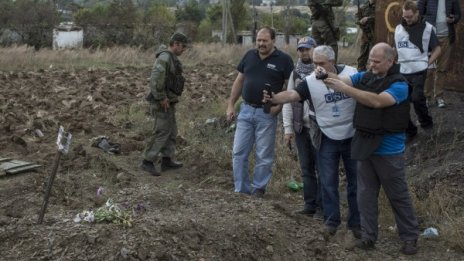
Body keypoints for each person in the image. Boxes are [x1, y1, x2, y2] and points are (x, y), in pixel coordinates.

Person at [323, 42, 420, 255]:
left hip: (389, 152)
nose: (372, 64)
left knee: (398, 196)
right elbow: (342, 80)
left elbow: (377, 101)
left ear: (390, 61)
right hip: (365, 147)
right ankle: (368, 237)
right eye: (370, 60)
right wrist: (325, 74)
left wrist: (346, 89)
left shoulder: (400, 85)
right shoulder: (366, 76)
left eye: (376, 61)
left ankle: (410, 237)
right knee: (365, 196)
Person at [263, 45, 360, 238]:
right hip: (326, 136)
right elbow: (293, 94)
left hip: (352, 135)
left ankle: (356, 223)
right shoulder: (310, 81)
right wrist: (274, 97)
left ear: (332, 61)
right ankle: (331, 221)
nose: (317, 68)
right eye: (315, 63)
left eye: (321, 63)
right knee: (327, 181)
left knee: (355, 182)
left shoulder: (352, 74)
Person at [226, 26, 294, 197]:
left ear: (273, 41)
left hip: (267, 113)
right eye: (258, 40)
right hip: (246, 110)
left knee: (264, 154)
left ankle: (258, 189)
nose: (261, 44)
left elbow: (290, 88)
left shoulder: (284, 60)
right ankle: (241, 190)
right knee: (238, 152)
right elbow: (239, 80)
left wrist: (278, 108)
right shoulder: (249, 56)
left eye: (265, 40)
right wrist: (231, 104)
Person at [282, 36, 323, 218]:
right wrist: (288, 128)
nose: (304, 52)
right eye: (301, 49)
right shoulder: (295, 73)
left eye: (308, 49)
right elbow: (288, 100)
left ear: (314, 49)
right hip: (301, 128)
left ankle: (323, 207)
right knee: (306, 168)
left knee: (322, 169)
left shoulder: (322, 70)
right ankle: (309, 205)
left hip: (320, 128)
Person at [140, 32, 189, 176]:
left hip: (169, 100)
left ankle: (167, 160)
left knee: (171, 130)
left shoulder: (170, 58)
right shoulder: (165, 58)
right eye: (183, 46)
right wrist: (161, 97)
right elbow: (155, 80)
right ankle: (147, 161)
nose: (184, 50)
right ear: (175, 44)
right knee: (161, 131)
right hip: (162, 102)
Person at [394, 0, 441, 139]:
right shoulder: (398, 29)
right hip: (402, 71)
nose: (407, 19)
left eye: (410, 16)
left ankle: (427, 125)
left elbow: (437, 49)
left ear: (417, 13)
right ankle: (410, 130)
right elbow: (394, 48)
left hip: (419, 70)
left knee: (417, 98)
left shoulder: (427, 28)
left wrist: (428, 62)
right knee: (400, 103)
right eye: (405, 17)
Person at [418, 0, 461, 108]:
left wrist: (453, 19)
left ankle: (439, 97)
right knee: (429, 68)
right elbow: (418, 12)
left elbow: (458, 15)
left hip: (446, 37)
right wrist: (425, 24)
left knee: (442, 69)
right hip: (430, 37)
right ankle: (426, 97)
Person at [356, 0, 376, 71]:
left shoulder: (380, 6)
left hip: (376, 35)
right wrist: (360, 21)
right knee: (362, 56)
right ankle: (360, 72)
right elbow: (357, 18)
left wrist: (368, 19)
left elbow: (381, 18)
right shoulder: (364, 7)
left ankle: (373, 72)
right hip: (365, 34)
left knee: (375, 55)